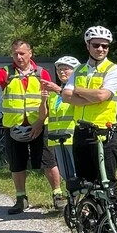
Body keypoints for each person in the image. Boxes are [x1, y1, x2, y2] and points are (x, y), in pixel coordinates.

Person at [0, 39, 64, 215]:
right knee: (17, 165)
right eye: (15, 53)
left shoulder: (41, 73)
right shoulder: (6, 72)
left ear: (30, 53)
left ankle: (57, 195)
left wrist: (40, 122)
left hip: (39, 125)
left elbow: (50, 99)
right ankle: (21, 198)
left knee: (49, 162)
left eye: (22, 53)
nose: (19, 57)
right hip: (13, 127)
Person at [58, 26, 117, 198]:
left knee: (106, 181)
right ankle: (91, 221)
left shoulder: (114, 70)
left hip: (103, 132)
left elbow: (103, 95)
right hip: (81, 131)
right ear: (88, 45)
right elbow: (66, 96)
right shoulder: (79, 69)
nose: (101, 49)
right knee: (85, 182)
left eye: (105, 46)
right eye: (96, 45)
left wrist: (77, 90)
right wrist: (92, 97)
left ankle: (113, 222)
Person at [40, 56, 82, 185]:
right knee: (65, 173)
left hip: (73, 137)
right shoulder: (53, 93)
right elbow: (43, 116)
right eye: (59, 70)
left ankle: (84, 201)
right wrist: (42, 101)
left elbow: (77, 102)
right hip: (57, 139)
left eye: (66, 69)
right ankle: (73, 201)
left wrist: (58, 90)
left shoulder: (78, 90)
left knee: (78, 172)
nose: (61, 72)